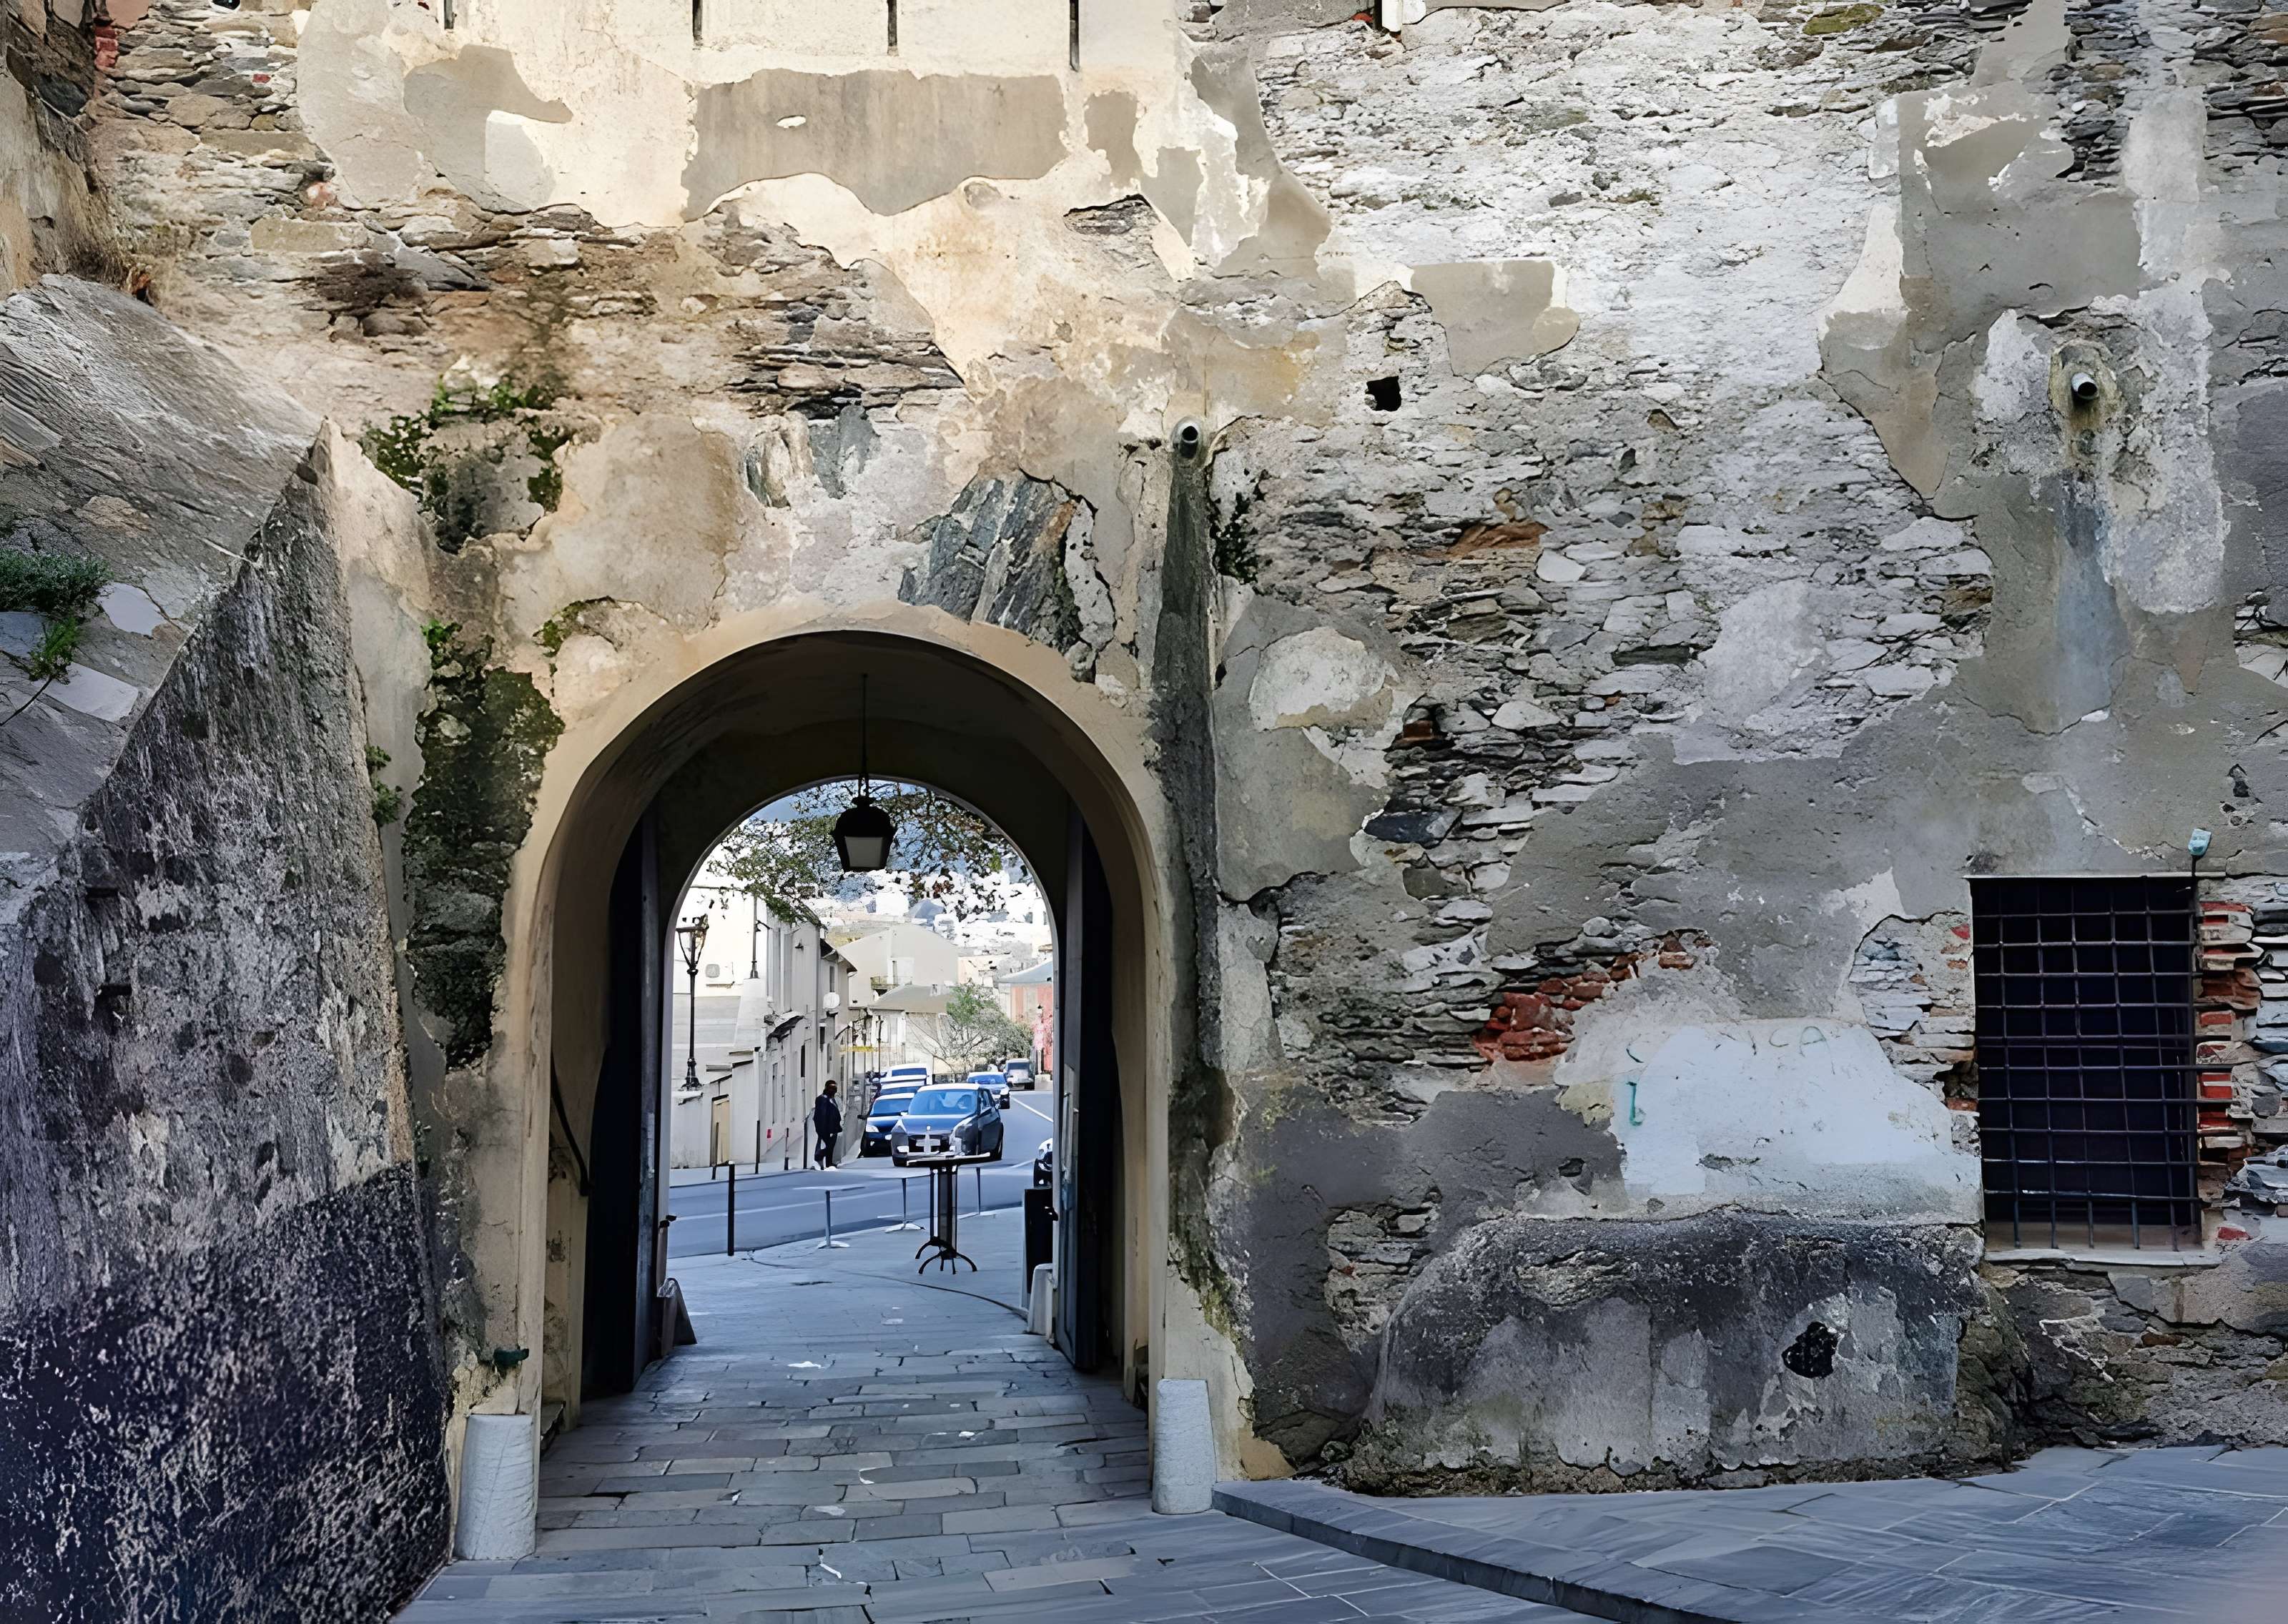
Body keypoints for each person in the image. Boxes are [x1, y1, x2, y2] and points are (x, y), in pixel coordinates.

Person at [812, 1082, 842, 1169]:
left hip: (834, 1127)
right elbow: (822, 1115)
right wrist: (825, 1128)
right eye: (831, 1088)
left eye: (834, 1088)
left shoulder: (832, 1099)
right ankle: (819, 1156)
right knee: (828, 1145)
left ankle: (829, 1162)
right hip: (826, 1128)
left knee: (831, 1146)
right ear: (826, 1088)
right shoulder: (822, 1099)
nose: (833, 1090)